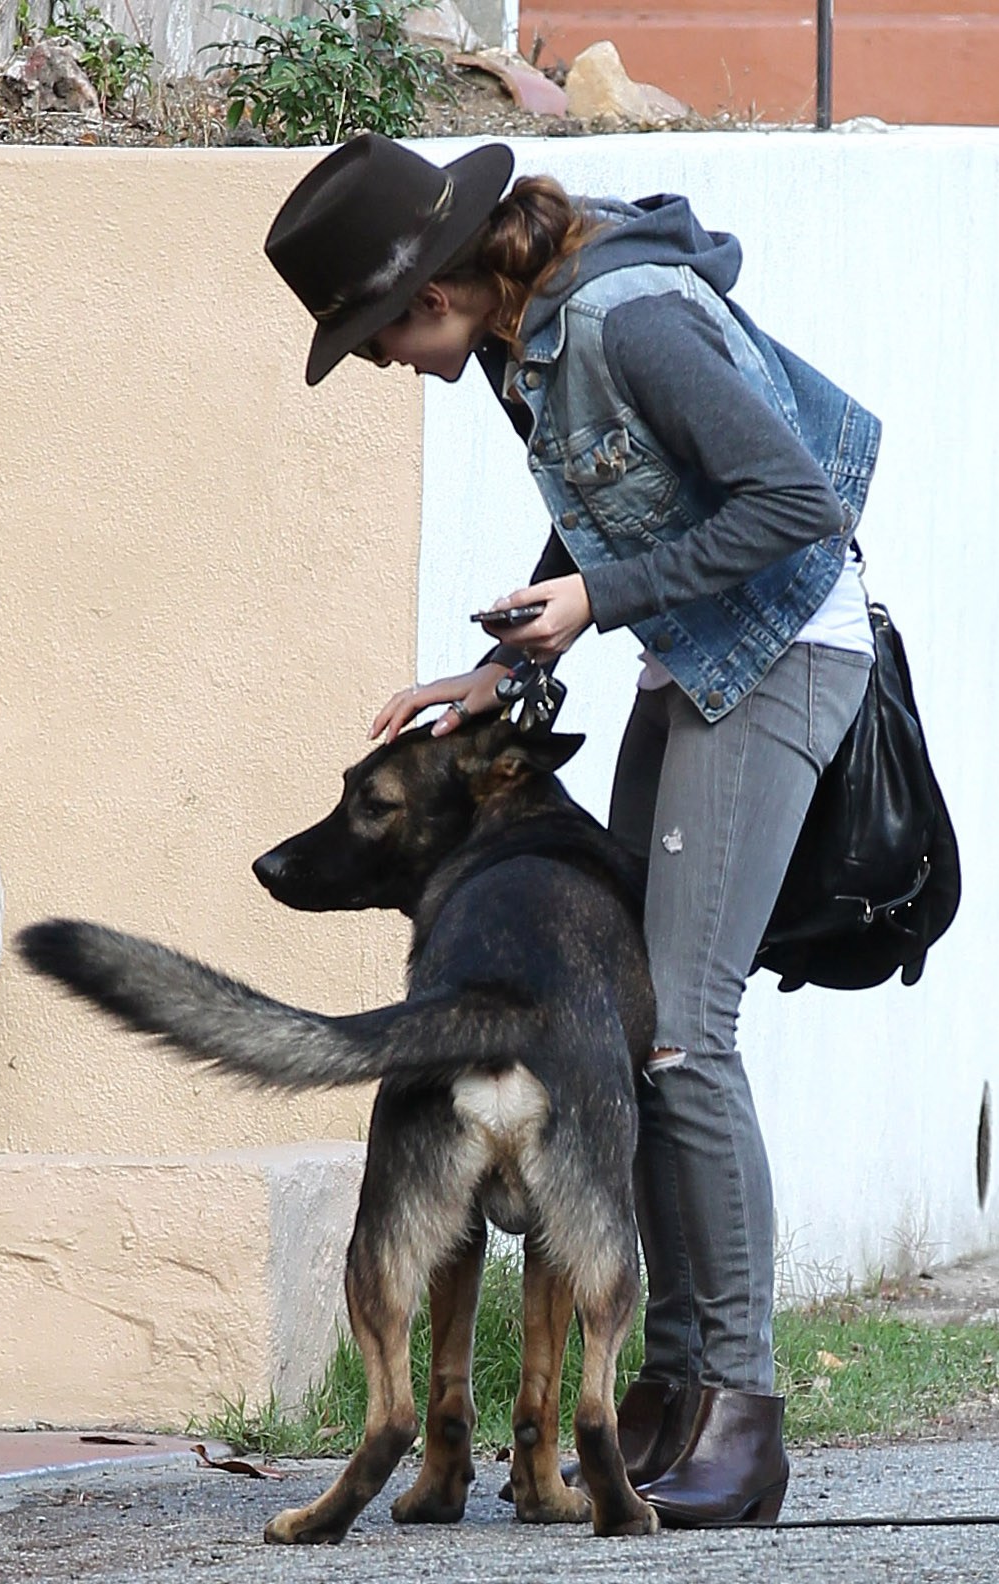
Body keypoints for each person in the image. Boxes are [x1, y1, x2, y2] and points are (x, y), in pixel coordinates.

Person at [263, 132, 880, 1527]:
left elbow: (797, 505)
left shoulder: (626, 313)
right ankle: (664, 1391)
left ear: (433, 292)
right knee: (633, 1027)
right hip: (696, 650)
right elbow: (613, 495)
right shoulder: (516, 334)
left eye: (382, 342)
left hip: (784, 650)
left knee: (683, 1034)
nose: (398, 367)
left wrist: (598, 607)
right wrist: (501, 676)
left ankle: (746, 1405)